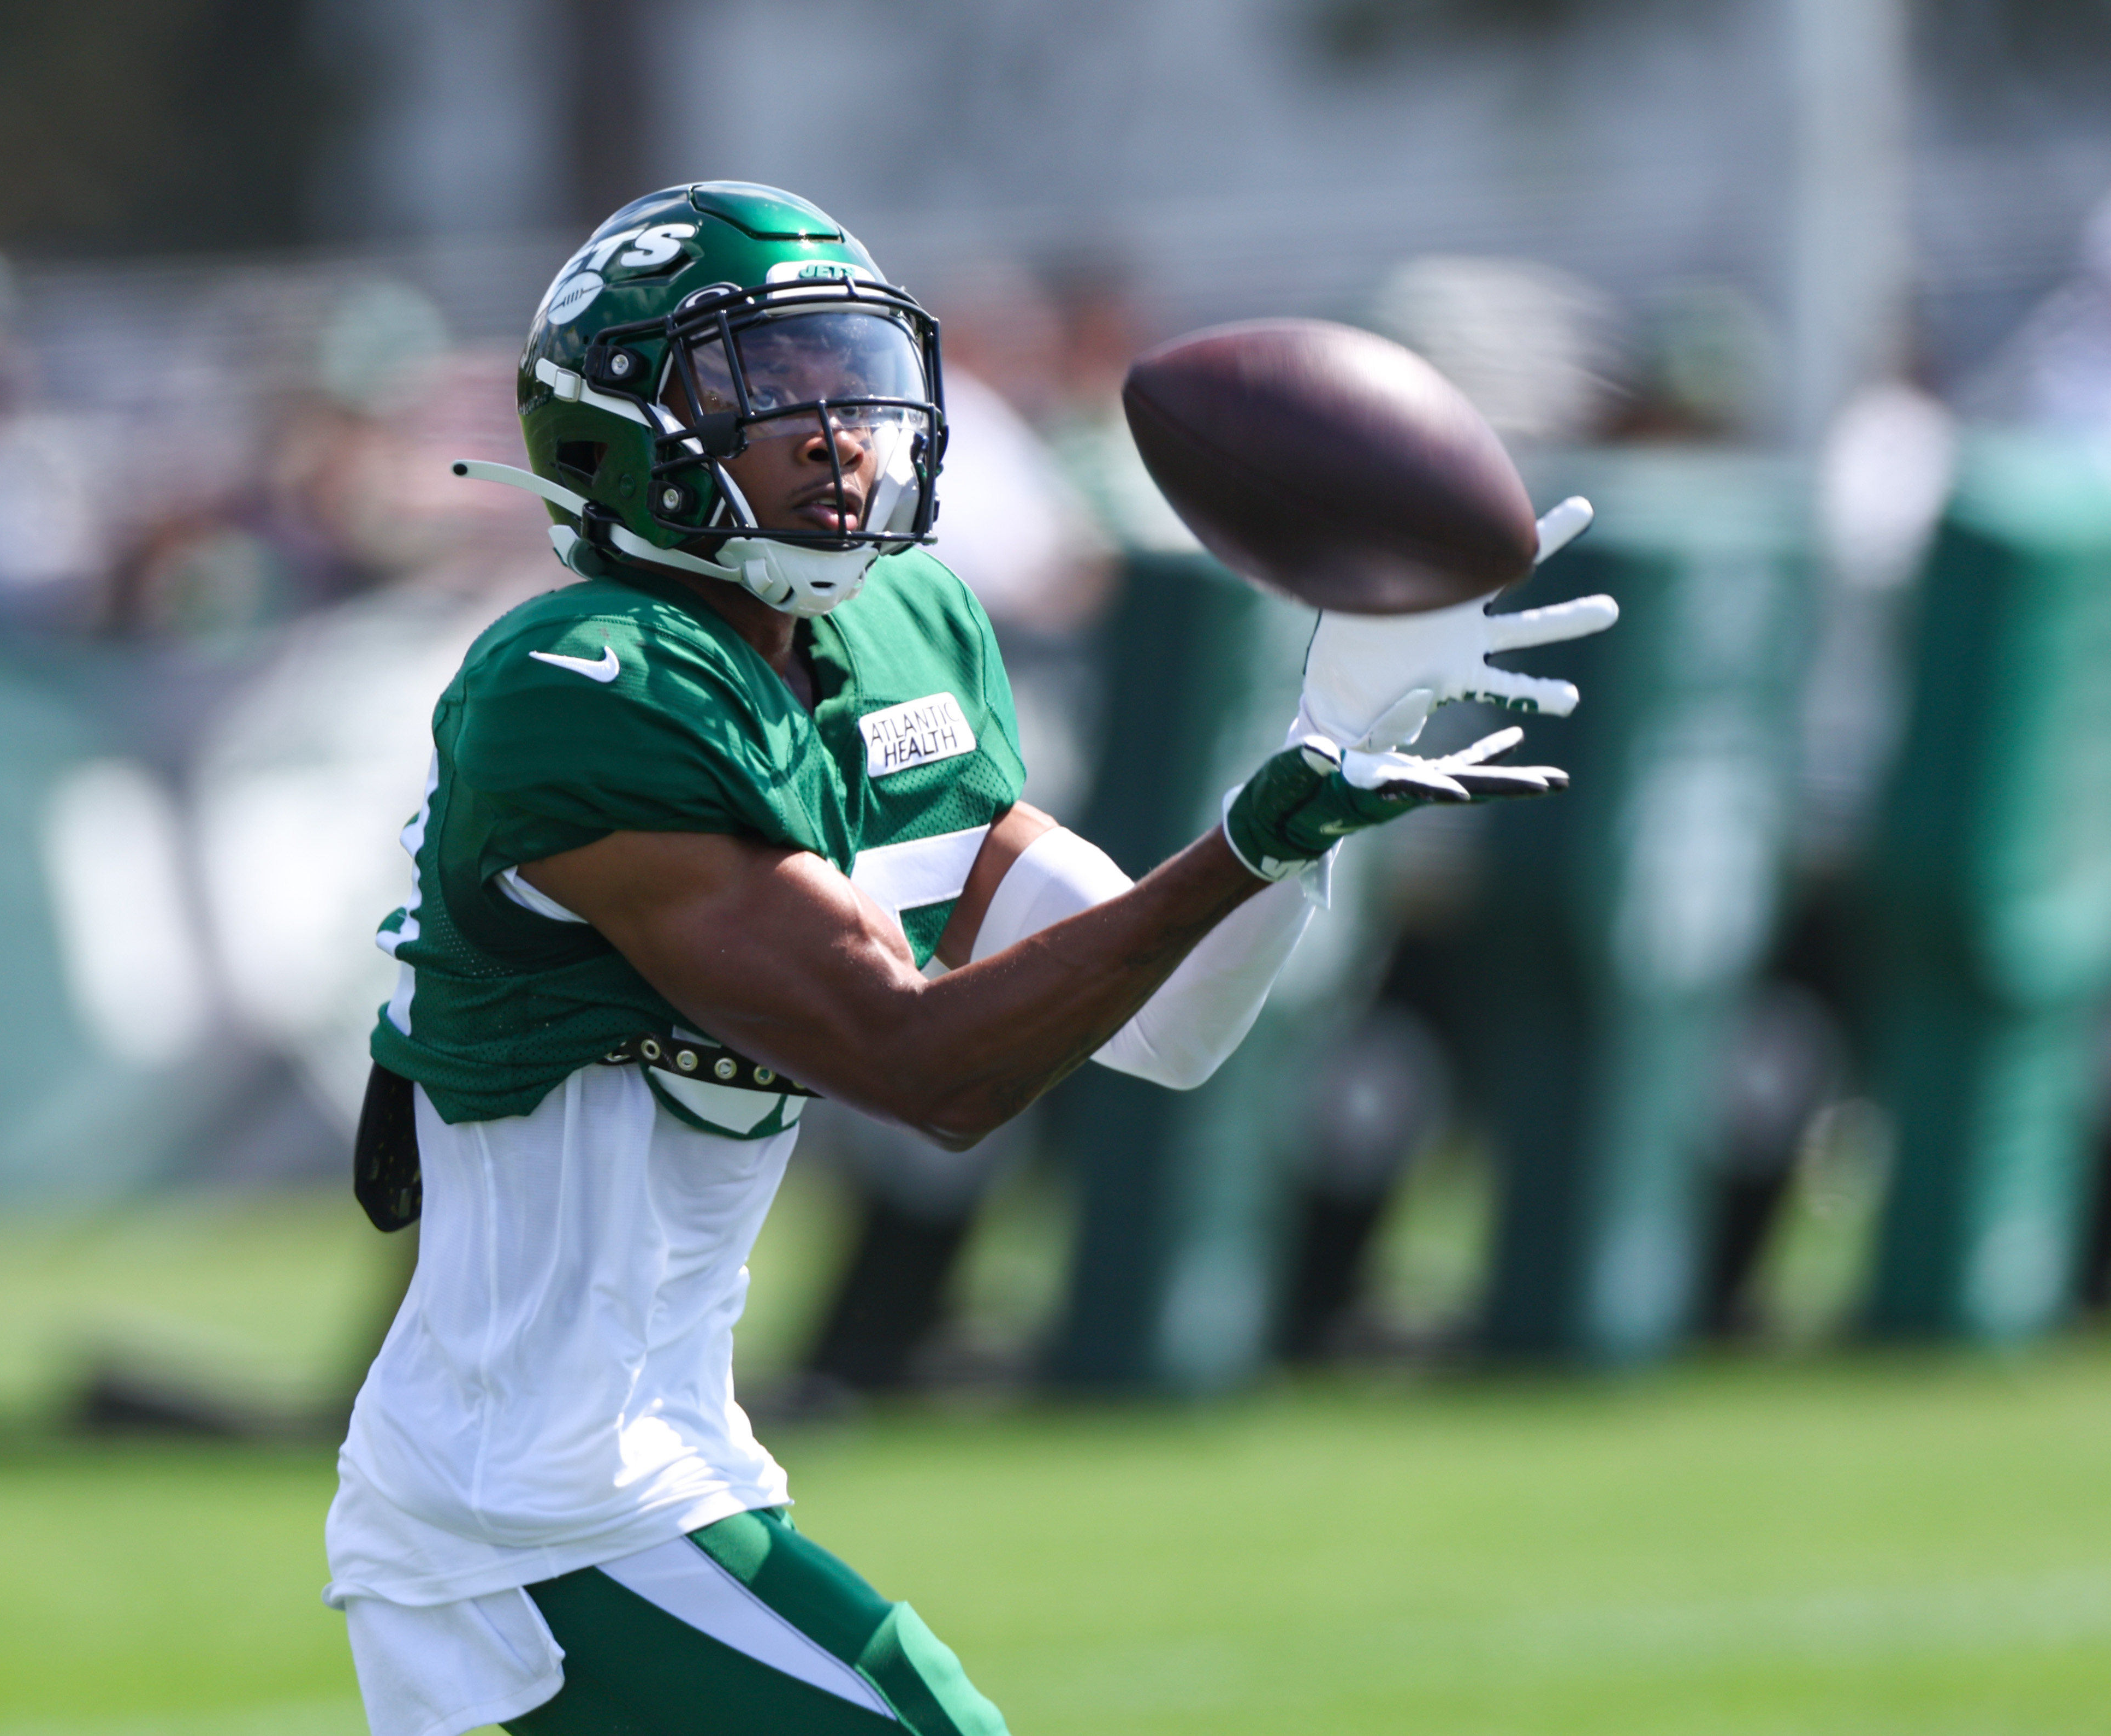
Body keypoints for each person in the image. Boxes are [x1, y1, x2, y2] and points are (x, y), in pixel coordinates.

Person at [321, 181, 1614, 1736]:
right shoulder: (587, 688)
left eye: (844, 370)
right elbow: (927, 1064)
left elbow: (1169, 1029)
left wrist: (1315, 769)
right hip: (526, 1512)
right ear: (615, 429)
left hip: (645, 1478)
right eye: (761, 382)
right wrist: (1242, 848)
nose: (835, 424)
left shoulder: (903, 636)